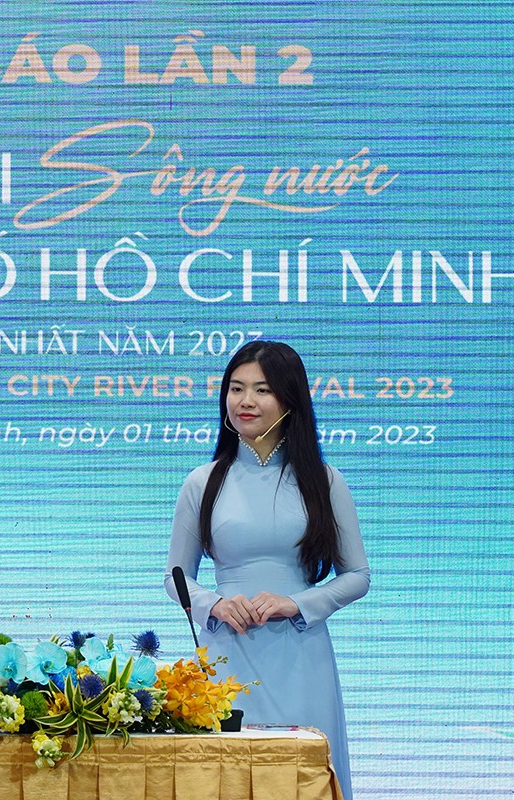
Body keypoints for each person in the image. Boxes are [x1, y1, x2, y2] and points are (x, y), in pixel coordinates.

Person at [165, 341, 369, 800]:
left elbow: (357, 575)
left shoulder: (324, 481)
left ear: (289, 399)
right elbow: (175, 577)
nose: (246, 401)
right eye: (236, 388)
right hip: (225, 658)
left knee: (304, 781)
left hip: (302, 655)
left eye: (262, 390)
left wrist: (296, 603)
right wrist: (216, 604)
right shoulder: (202, 482)